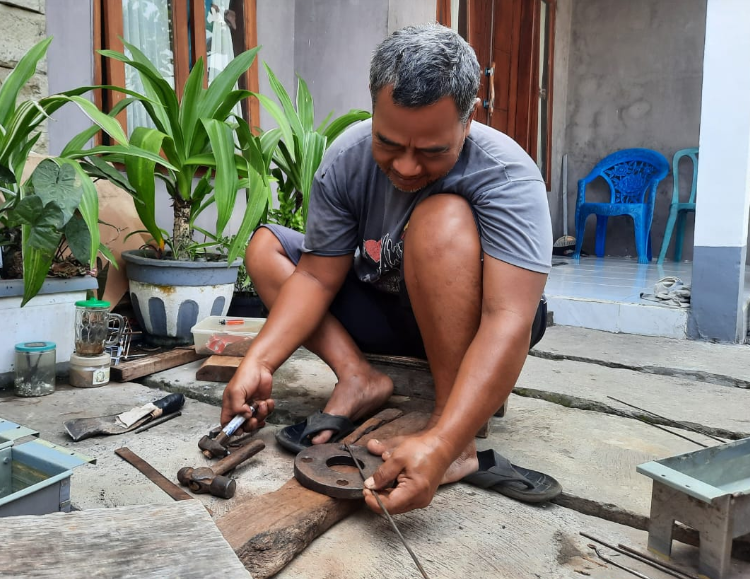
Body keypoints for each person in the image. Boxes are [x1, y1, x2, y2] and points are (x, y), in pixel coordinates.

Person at [220, 23, 552, 515]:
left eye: (433, 151)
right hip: (382, 310)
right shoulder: (347, 160)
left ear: (468, 119)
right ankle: (357, 377)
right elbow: (315, 276)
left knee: (440, 219)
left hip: (476, 321)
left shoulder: (506, 175)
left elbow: (509, 317)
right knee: (267, 245)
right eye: (390, 144)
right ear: (374, 107)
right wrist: (260, 361)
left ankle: (452, 433)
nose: (408, 168)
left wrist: (440, 444)